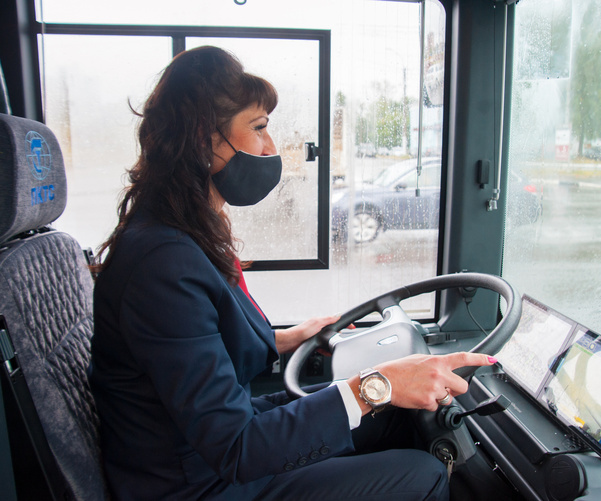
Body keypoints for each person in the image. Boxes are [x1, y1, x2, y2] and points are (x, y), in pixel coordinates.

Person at [89, 45, 497, 501]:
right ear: (206, 138)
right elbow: (238, 447)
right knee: (420, 474)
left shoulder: (175, 236)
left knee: (393, 417)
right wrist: (375, 385)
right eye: (259, 128)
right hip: (197, 484)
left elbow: (202, 355)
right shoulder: (161, 264)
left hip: (199, 453)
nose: (270, 147)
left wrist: (288, 340)